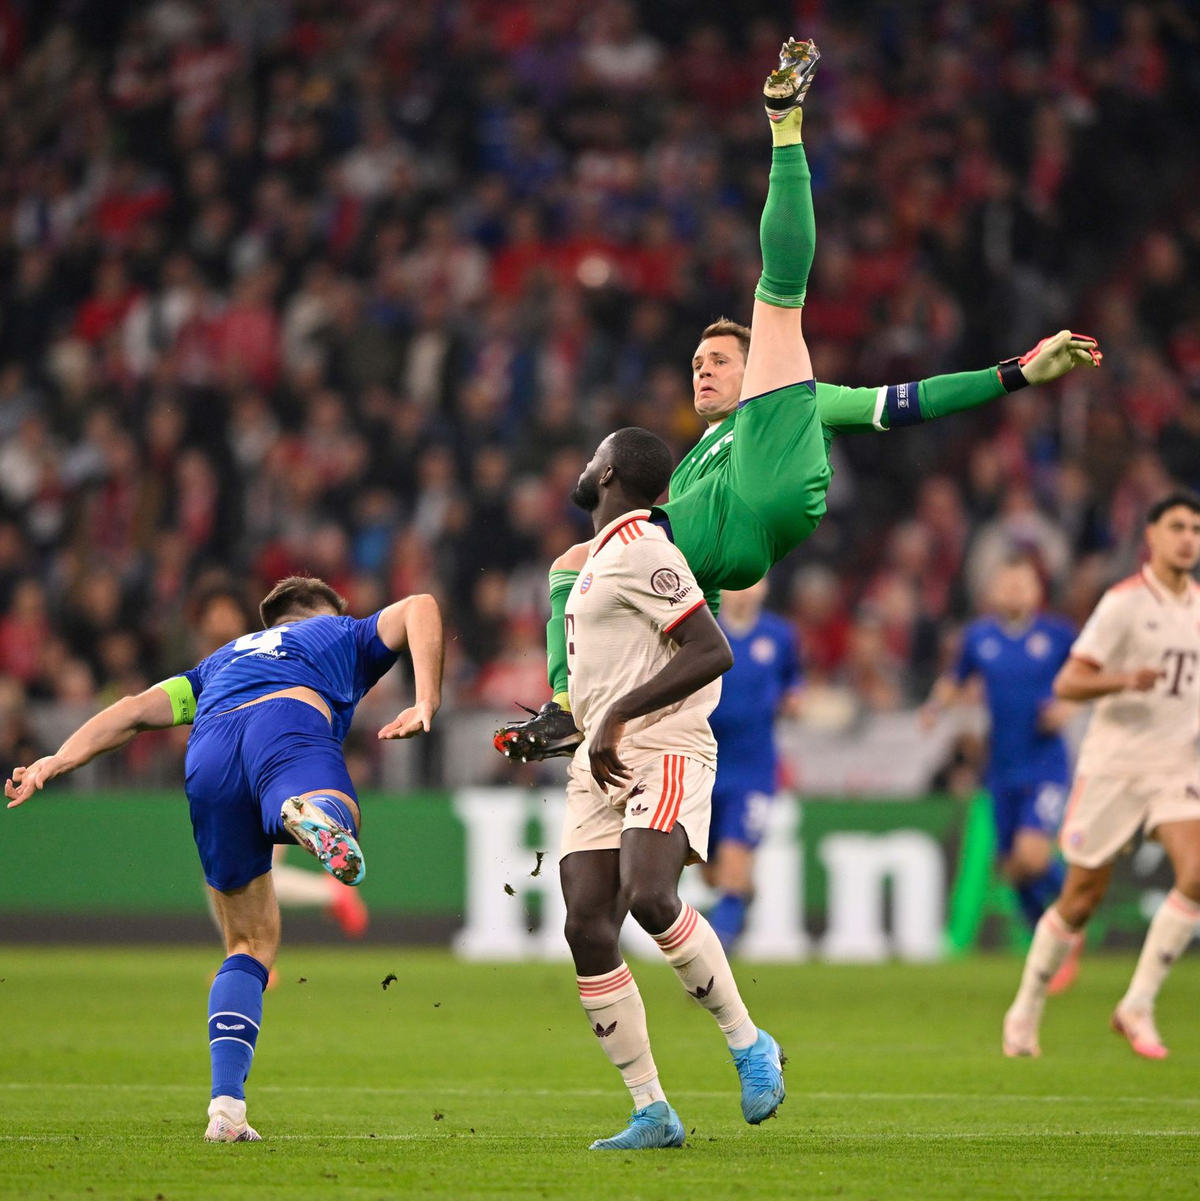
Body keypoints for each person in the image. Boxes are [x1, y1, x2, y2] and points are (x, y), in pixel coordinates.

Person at [496, 38, 1103, 763]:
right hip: (742, 542)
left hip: (776, 484)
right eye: (696, 362)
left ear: (758, 368)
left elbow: (910, 402)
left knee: (779, 296)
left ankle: (785, 125)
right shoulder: (691, 465)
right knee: (571, 564)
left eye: (719, 358)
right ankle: (565, 707)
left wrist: (1016, 374)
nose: (702, 370)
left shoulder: (797, 399)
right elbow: (695, 586)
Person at [5, 576, 443, 1140]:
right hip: (285, 721)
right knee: (341, 817)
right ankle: (305, 811)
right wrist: (426, 698)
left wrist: (55, 760)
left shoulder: (219, 661)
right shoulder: (341, 632)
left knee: (249, 943)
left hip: (209, 752)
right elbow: (421, 607)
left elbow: (135, 711)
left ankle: (227, 1111)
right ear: (328, 610)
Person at [560, 426, 785, 1151]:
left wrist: (621, 714)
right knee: (587, 925)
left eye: (593, 455)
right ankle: (651, 1108)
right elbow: (611, 678)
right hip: (600, 758)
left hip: (661, 745)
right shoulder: (597, 560)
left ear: (611, 473)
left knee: (652, 895)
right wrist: (562, 724)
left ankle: (750, 1044)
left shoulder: (646, 548)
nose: (584, 463)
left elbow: (711, 648)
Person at [1001, 493, 1200, 1060]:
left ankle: (1137, 1003)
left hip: (1176, 768)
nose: (1189, 538)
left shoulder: (1198, 607)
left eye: (1196, 529)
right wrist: (1121, 680)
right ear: (1152, 536)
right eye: (1178, 527)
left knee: (1197, 872)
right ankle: (1027, 1005)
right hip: (1115, 767)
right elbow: (1068, 684)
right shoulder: (1123, 604)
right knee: (1080, 898)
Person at [922, 556, 1078, 984]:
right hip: (1002, 768)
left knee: (1033, 855)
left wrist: (1067, 706)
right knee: (1013, 869)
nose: (1014, 591)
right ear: (993, 592)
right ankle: (1048, 943)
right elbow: (956, 679)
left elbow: (1088, 674)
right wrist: (936, 707)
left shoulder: (1058, 635)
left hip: (1045, 764)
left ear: (1037, 591)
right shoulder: (979, 637)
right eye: (1006, 584)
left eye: (1022, 584)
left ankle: (1073, 909)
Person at [193, 584, 368, 941]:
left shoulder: (258, 654)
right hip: (255, 764)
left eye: (228, 611)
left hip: (265, 768)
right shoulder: (220, 662)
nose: (222, 619)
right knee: (239, 876)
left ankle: (253, 954)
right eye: (216, 612)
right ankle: (251, 954)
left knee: (248, 874)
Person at [704, 580, 802, 950]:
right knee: (712, 875)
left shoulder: (779, 635)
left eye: (756, 581)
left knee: (733, 864)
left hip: (754, 770)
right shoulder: (703, 627)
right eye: (738, 582)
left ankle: (713, 962)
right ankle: (740, 896)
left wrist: (793, 698)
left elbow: (794, 679)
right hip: (705, 765)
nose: (746, 590)